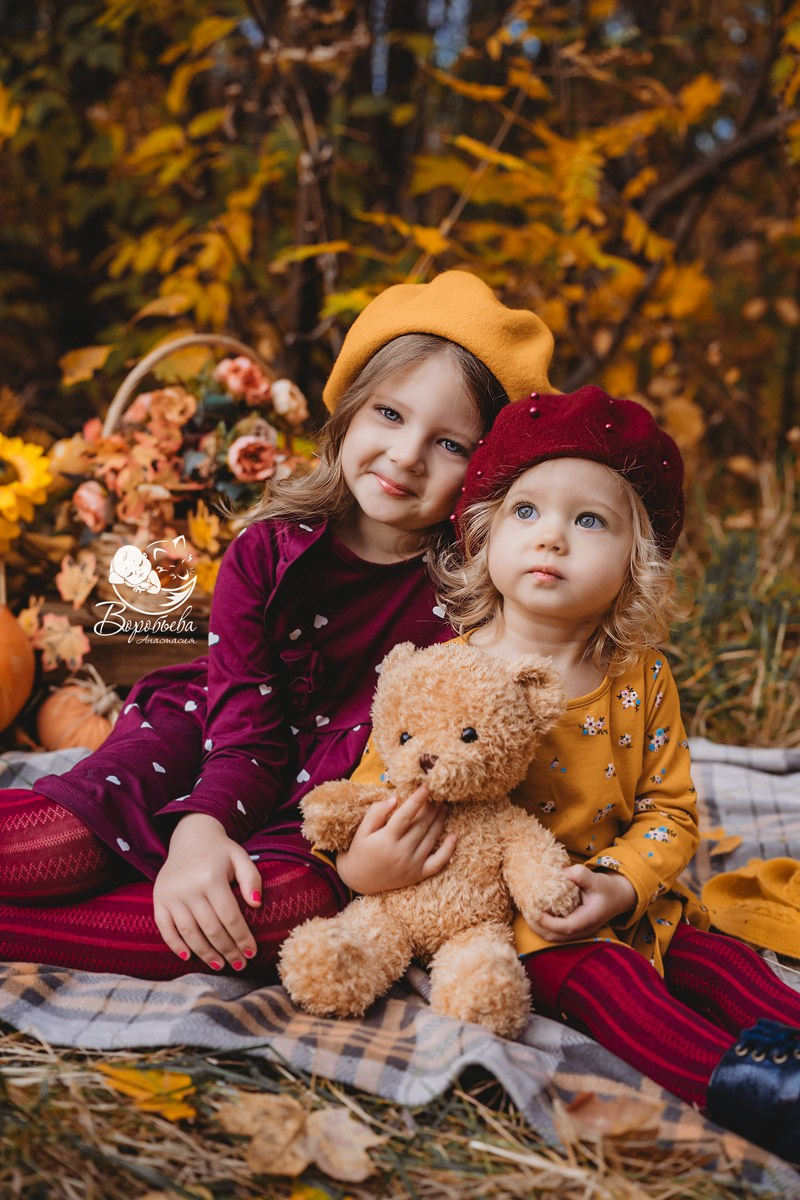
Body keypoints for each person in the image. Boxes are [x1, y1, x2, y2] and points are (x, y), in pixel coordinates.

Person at [0, 271, 556, 983]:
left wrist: (368, 868)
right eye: (390, 414)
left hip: (336, 798)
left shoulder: (479, 600)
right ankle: (144, 857)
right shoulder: (268, 550)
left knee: (260, 916)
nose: (408, 454)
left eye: (451, 445)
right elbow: (247, 738)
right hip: (211, 730)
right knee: (54, 845)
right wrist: (200, 831)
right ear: (349, 412)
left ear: (486, 476)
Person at [339, 386, 800, 1161]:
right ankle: (744, 1090)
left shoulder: (639, 678)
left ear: (634, 561)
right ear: (483, 539)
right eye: (526, 512)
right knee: (616, 991)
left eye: (589, 520)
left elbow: (670, 812)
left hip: (623, 898)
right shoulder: (445, 672)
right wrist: (362, 864)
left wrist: (621, 884)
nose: (551, 536)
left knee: (718, 960)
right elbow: (367, 792)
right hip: (523, 922)